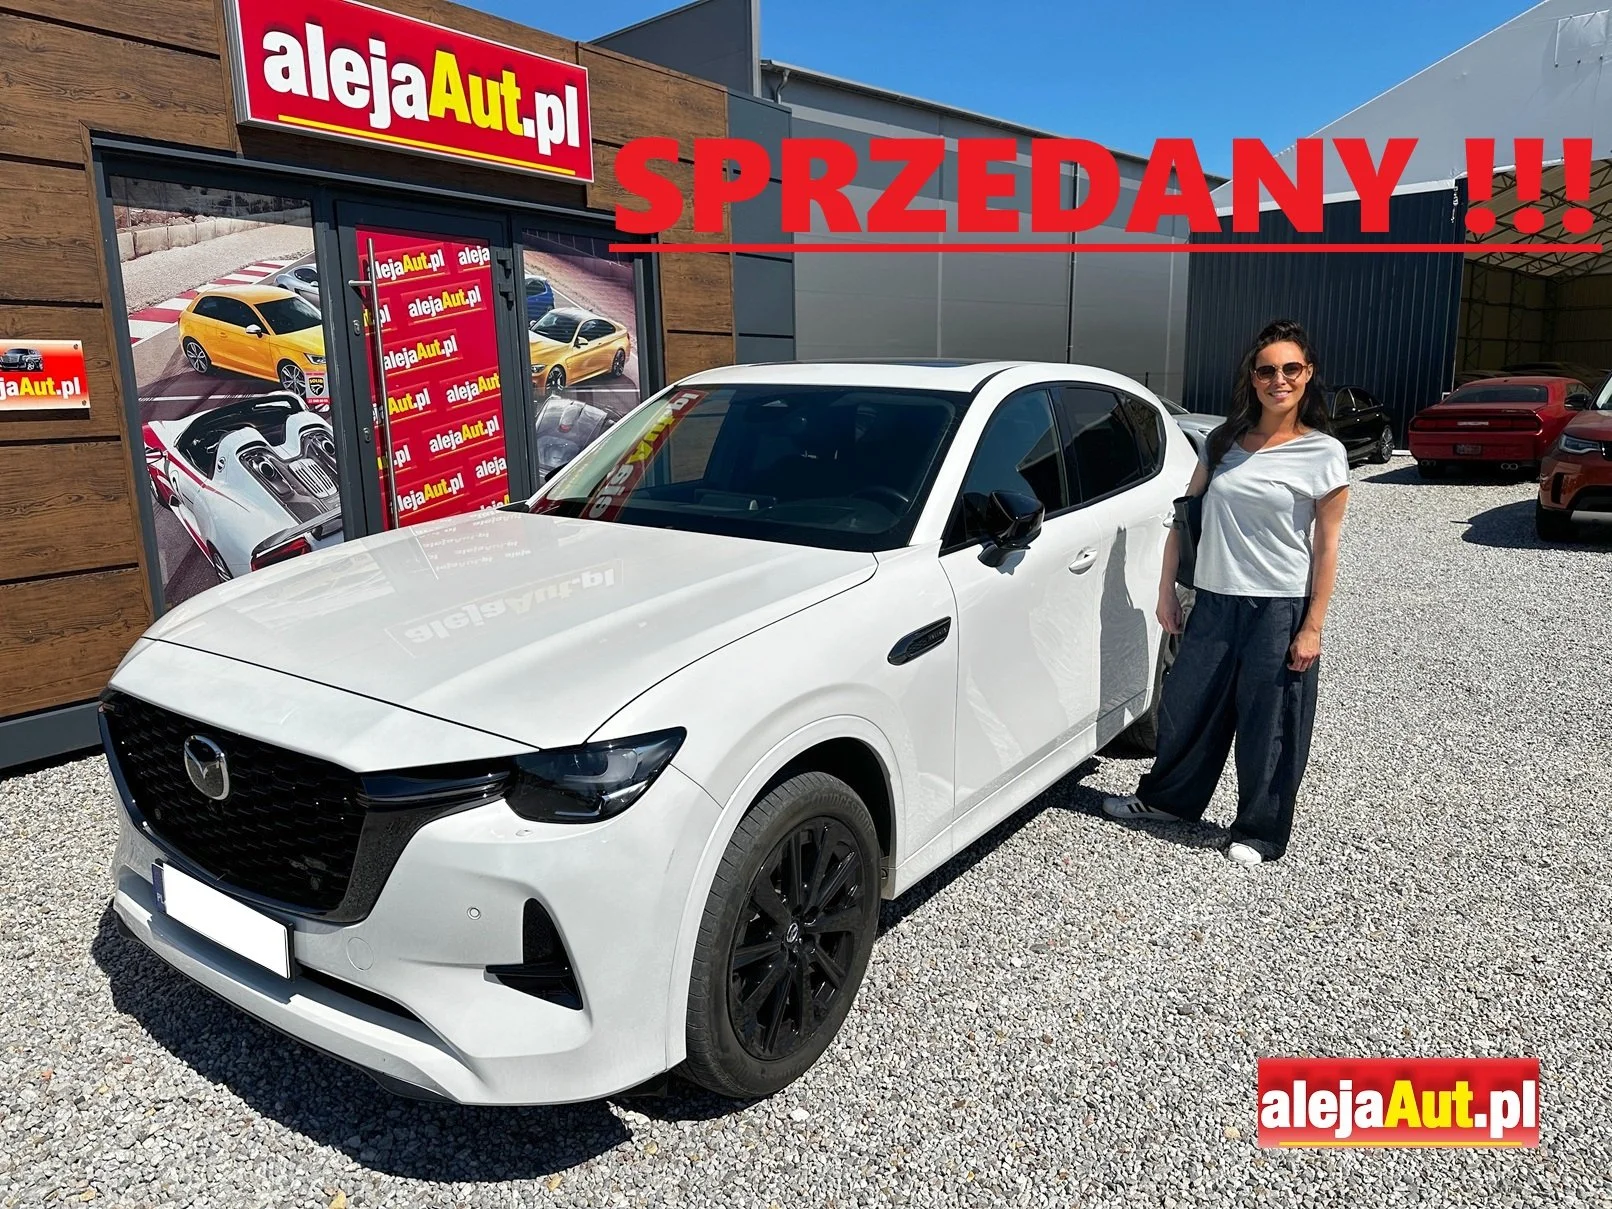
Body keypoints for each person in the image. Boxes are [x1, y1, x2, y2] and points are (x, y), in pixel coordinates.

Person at [1101, 319, 1352, 866]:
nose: (1278, 380)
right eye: (1267, 371)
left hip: (1279, 606)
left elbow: (1327, 548)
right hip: (1214, 601)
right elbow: (1183, 519)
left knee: (1271, 722)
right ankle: (1168, 802)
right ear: (1252, 378)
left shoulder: (1324, 452)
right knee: (1187, 707)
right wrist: (1166, 592)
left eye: (1290, 369)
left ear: (1308, 374)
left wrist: (1312, 625)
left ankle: (1260, 832)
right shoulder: (1222, 443)